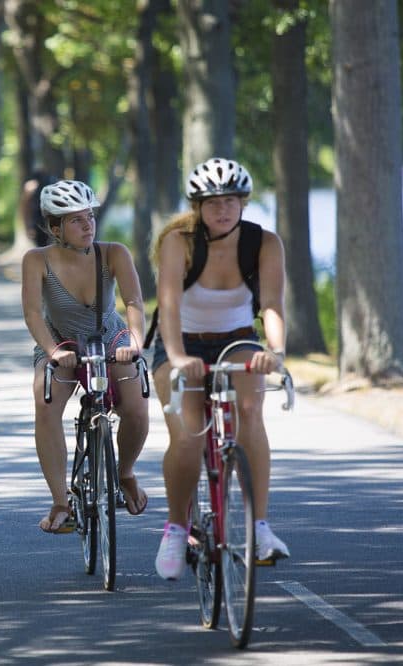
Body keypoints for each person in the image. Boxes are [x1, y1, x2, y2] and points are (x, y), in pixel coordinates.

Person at [150, 157, 290, 580]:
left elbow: (271, 306)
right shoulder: (180, 242)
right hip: (181, 343)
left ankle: (259, 528)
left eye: (230, 200)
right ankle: (176, 528)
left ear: (243, 202)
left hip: (237, 340)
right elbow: (170, 306)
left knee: (249, 411)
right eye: (213, 203)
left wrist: (276, 352)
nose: (223, 210)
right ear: (197, 207)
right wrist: (176, 358)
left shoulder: (263, 243)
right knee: (190, 434)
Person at [21, 179, 150, 533]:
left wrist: (135, 341)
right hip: (61, 342)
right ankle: (61, 501)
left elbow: (134, 303)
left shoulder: (114, 253)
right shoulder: (37, 260)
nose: (87, 225)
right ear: (55, 227)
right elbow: (33, 313)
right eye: (76, 220)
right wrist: (51, 352)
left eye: (89, 216)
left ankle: (125, 474)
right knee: (44, 404)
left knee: (137, 405)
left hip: (112, 339)